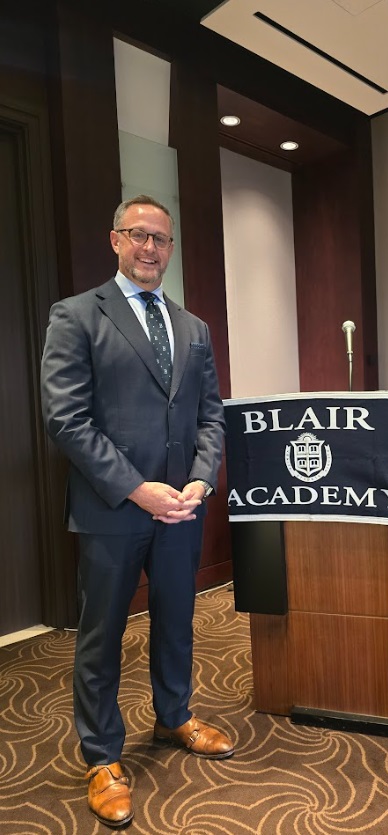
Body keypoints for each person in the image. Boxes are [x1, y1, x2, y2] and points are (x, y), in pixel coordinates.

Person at [41, 195, 232, 828]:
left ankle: (174, 715)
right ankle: (101, 756)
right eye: (139, 235)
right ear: (116, 240)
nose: (151, 248)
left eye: (161, 239)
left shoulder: (193, 327)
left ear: (170, 249)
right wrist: (135, 488)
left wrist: (201, 480)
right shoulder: (76, 315)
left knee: (177, 620)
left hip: (181, 508)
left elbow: (210, 414)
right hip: (112, 510)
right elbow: (66, 418)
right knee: (102, 636)